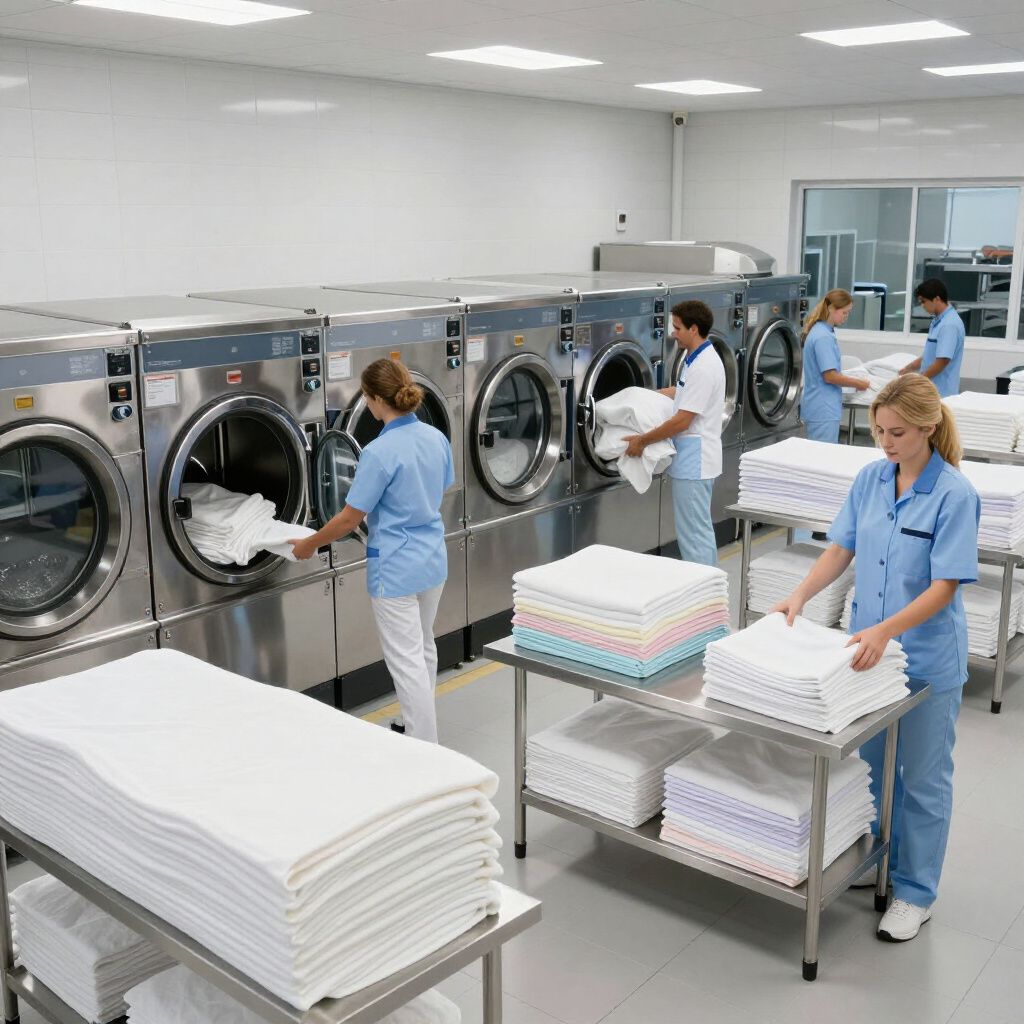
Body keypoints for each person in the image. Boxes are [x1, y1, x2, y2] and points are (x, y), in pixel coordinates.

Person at [772, 374, 979, 942]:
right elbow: (841, 547)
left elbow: (945, 586)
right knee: (872, 766)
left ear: (929, 428)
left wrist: (886, 630)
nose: (886, 443)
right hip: (867, 654)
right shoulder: (870, 478)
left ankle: (915, 892)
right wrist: (800, 594)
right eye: (879, 431)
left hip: (925, 659)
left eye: (898, 433)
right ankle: (881, 856)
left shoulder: (955, 494)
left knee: (923, 778)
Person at [291, 358, 454, 743]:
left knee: (406, 660)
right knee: (424, 647)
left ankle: (424, 745)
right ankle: (417, 726)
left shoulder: (379, 452)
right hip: (432, 558)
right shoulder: (436, 438)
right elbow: (440, 488)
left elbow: (349, 518)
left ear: (375, 399)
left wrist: (308, 545)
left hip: (396, 566)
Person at [624, 299, 723, 566]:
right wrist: (642, 397)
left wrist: (642, 441)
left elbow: (682, 421)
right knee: (696, 530)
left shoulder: (703, 367)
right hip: (693, 459)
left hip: (696, 461)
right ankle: (706, 593)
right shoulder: (697, 358)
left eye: (677, 328)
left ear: (694, 329)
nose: (672, 333)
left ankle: (704, 599)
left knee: (694, 535)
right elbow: (682, 393)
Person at [801, 288, 871, 445]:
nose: (846, 317)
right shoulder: (822, 336)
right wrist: (859, 383)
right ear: (831, 309)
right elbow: (830, 376)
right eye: (844, 312)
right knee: (822, 459)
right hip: (822, 409)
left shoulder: (822, 331)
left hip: (821, 406)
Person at [900, 279, 965, 397]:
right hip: (930, 390)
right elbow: (929, 356)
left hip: (941, 393)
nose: (922, 306)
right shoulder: (938, 321)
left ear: (937, 299)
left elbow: (942, 361)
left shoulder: (949, 325)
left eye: (923, 301)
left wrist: (918, 381)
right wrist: (907, 369)